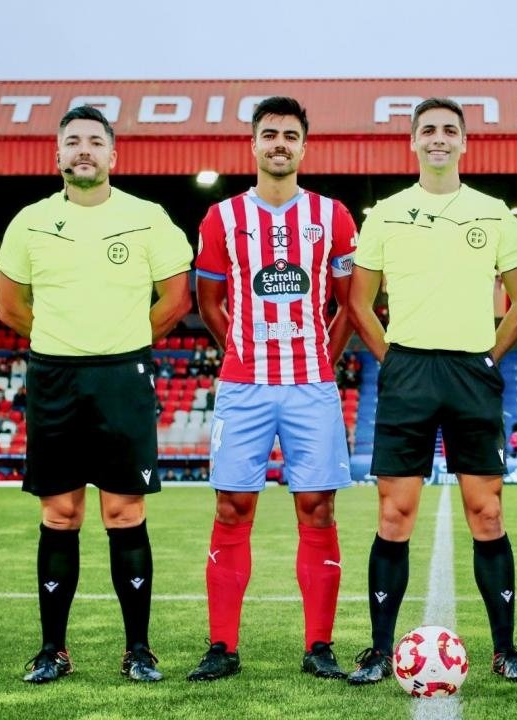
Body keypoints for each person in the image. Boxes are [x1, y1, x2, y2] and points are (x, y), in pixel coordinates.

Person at [0, 105, 193, 684]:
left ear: (113, 155)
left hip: (122, 376)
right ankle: (52, 649)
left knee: (124, 510)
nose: (84, 150)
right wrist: (65, 340)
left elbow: (176, 298)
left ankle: (138, 650)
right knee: (60, 514)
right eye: (73, 141)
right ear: (57, 155)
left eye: (94, 142)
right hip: (54, 376)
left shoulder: (148, 217)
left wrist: (122, 342)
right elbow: (9, 306)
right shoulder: (28, 221)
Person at [347, 97, 517, 685]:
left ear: (463, 143)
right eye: (427, 129)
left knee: (487, 513)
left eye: (448, 130)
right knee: (394, 514)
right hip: (408, 372)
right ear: (413, 141)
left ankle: (506, 651)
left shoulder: (497, 216)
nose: (438, 138)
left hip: (470, 374)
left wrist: (488, 357)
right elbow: (359, 302)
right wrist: (394, 360)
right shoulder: (384, 215)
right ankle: (380, 651)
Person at [187, 97, 357, 683]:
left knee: (318, 507)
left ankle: (319, 646)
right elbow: (209, 303)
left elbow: (350, 304)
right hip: (243, 385)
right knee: (233, 507)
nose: (279, 143)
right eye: (269, 134)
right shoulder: (222, 218)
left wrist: (323, 359)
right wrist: (238, 346)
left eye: (289, 135)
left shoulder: (332, 216)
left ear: (303, 146)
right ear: (253, 144)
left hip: (312, 386)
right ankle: (222, 647)